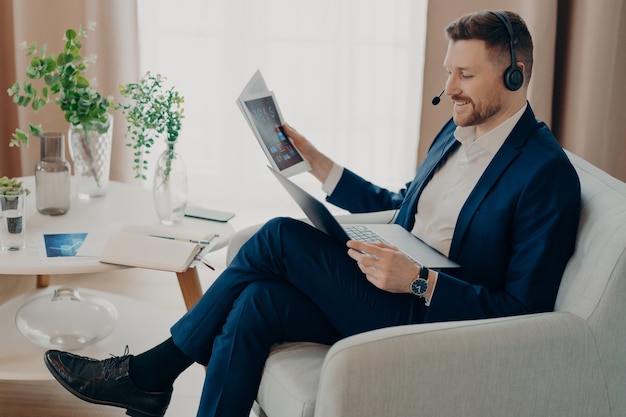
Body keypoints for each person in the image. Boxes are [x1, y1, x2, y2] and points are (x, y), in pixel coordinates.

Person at [43, 10, 580, 417]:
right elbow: (404, 203)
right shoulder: (458, 131)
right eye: (448, 73)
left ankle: (150, 373)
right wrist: (318, 164)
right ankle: (153, 382)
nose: (449, 90)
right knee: (257, 301)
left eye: (465, 74)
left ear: (515, 75)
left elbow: (524, 309)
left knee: (276, 237)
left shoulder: (545, 174)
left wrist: (419, 282)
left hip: (432, 322)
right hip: (390, 285)